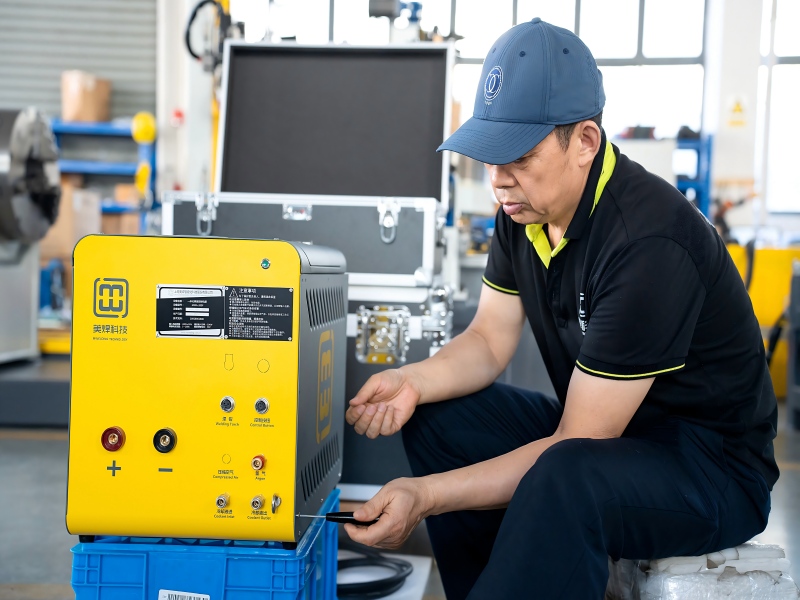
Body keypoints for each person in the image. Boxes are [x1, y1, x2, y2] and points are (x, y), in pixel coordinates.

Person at [343, 18, 778, 599]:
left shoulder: (648, 242)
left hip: (708, 469)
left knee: (565, 474)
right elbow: (490, 341)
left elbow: (583, 438)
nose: (498, 181)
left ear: (585, 142)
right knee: (439, 414)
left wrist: (426, 496)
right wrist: (411, 381)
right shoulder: (522, 210)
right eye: (489, 158)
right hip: (618, 441)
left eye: (518, 157)